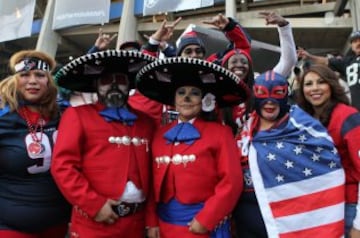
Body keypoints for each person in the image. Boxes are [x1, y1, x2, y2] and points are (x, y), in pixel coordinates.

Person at [136, 57, 250, 238]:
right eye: (181, 92)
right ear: (174, 99)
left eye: (194, 93)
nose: (186, 98)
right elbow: (151, 183)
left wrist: (207, 218)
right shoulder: (159, 134)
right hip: (164, 226)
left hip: (201, 226)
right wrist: (151, 221)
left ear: (204, 99)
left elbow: (232, 182)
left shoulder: (220, 133)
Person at [51, 50, 157, 238]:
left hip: (136, 225)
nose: (114, 85)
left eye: (121, 80)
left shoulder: (146, 122)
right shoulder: (77, 115)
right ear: (96, 84)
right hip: (94, 224)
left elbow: (152, 175)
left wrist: (151, 220)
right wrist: (94, 205)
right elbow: (63, 167)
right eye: (107, 80)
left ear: (129, 85)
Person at [234, 70, 346, 237]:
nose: (269, 101)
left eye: (277, 93)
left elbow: (330, 171)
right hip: (246, 217)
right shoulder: (248, 124)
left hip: (287, 220)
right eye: (262, 93)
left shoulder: (302, 126)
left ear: (286, 95)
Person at [0, 50, 71, 237]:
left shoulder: (66, 115)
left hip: (59, 224)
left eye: (40, 75)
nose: (32, 81)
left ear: (48, 81)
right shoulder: (3, 119)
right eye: (24, 75)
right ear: (15, 80)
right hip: (10, 225)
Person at [296, 64, 360, 238]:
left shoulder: (348, 116)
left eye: (321, 82)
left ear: (331, 85)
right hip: (322, 208)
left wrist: (358, 225)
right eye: (308, 84)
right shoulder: (303, 121)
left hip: (349, 206)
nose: (314, 88)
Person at [220, 11, 297, 134]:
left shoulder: (261, 85)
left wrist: (284, 26)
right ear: (225, 66)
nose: (239, 65)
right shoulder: (216, 93)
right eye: (234, 61)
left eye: (244, 62)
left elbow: (289, 61)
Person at [297, 30, 360, 111]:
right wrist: (309, 56)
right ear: (352, 46)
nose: (358, 43)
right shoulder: (347, 62)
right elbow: (327, 61)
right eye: (354, 41)